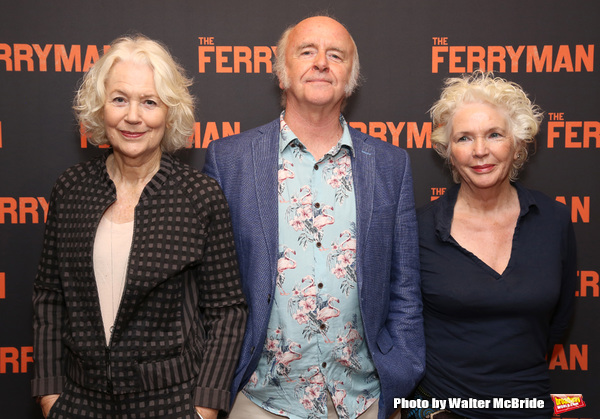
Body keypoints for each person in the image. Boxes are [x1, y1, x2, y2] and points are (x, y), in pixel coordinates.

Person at [203, 15, 424, 419]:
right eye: (307, 52)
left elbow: (404, 286)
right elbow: (209, 288)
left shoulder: (391, 165)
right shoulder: (229, 159)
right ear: (282, 73)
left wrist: (402, 372)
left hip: (364, 399)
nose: (321, 62)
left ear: (350, 79)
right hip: (257, 398)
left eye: (335, 55)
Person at [32, 35, 247, 419]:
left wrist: (205, 406)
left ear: (169, 113)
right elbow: (50, 298)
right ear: (101, 109)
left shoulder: (199, 196)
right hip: (80, 403)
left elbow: (227, 311)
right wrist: (50, 396)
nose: (133, 116)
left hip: (173, 404)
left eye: (149, 102)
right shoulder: (70, 189)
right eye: (119, 99)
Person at [403, 71, 577, 419]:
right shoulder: (419, 228)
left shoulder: (553, 219)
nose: (480, 151)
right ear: (448, 151)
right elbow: (400, 324)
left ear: (518, 144)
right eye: (464, 138)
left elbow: (559, 322)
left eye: (494, 135)